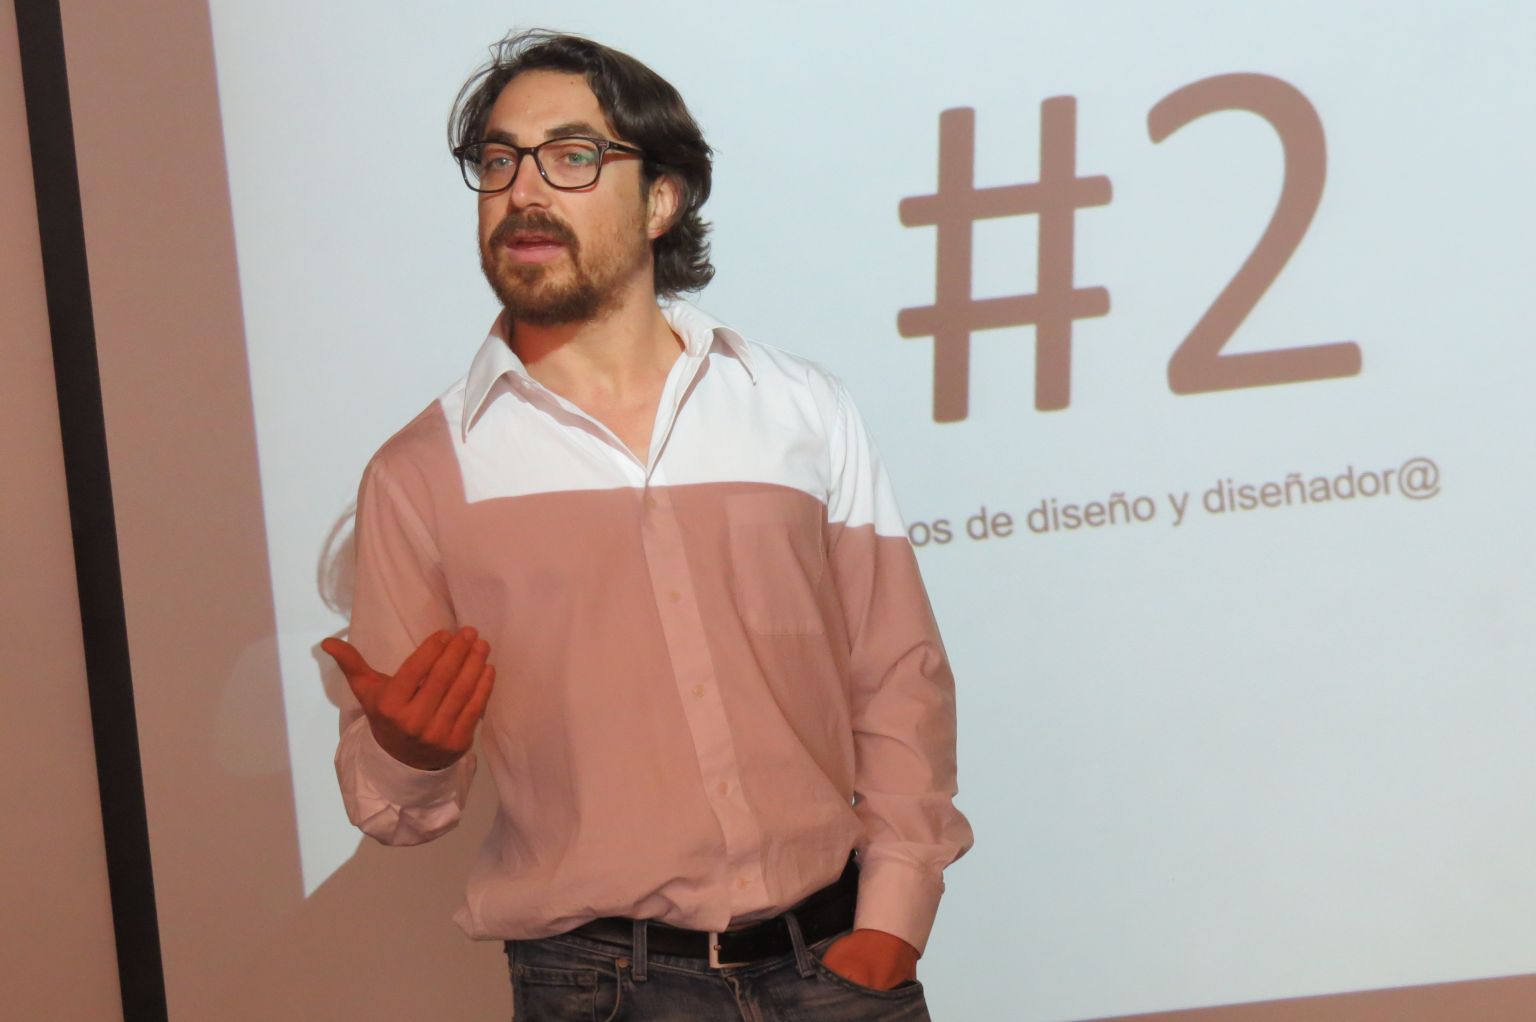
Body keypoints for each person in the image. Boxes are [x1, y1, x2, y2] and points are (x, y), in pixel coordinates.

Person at [322, 29, 972, 1021]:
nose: (522, 190)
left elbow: (898, 673)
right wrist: (411, 753)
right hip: (599, 990)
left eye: (571, 156)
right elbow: (396, 810)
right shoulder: (421, 472)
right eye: (498, 160)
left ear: (661, 199)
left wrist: (892, 919)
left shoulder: (799, 408)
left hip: (837, 965)